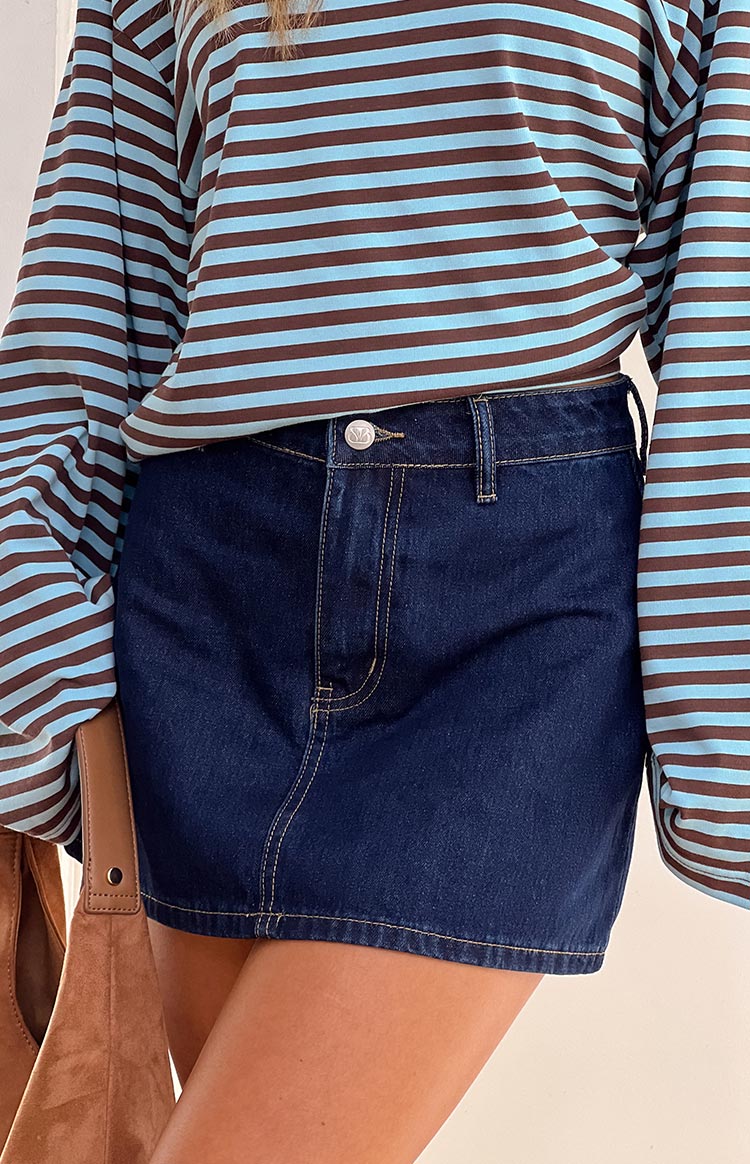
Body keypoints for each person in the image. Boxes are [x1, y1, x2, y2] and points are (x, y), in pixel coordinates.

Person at [0, 0, 747, 1159]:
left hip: (510, 610)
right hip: (212, 594)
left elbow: (727, 313)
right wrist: (32, 634)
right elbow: (97, 308)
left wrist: (723, 728)